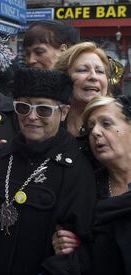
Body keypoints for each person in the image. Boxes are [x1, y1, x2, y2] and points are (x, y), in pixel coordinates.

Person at [0, 67, 96, 275]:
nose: (31, 117)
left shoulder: (76, 169)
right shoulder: (1, 156)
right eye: (23, 107)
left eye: (43, 110)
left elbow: (77, 251)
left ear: (64, 112)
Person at [51, 95, 131, 275]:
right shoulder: (85, 189)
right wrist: (63, 243)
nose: (95, 132)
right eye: (90, 127)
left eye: (106, 123)